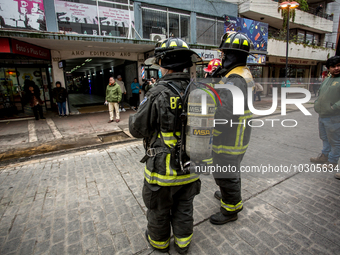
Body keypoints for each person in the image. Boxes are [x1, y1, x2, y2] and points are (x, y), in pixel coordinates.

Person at [129, 37, 202, 254]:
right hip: (191, 167)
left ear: (165, 65)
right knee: (184, 207)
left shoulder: (157, 92)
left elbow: (136, 129)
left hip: (163, 171)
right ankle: (183, 244)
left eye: (160, 63)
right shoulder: (200, 90)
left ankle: (159, 244)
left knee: (159, 210)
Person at [210, 32, 254, 225]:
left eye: (227, 54)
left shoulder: (236, 79)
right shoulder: (239, 73)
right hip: (237, 133)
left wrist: (213, 133)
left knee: (226, 170)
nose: (223, 57)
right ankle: (227, 194)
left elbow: (225, 112)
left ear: (236, 56)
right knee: (230, 170)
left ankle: (231, 209)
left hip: (229, 137)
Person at [310, 56, 340, 179]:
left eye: (338, 65)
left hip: (334, 116)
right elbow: (322, 93)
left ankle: (332, 162)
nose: (337, 68)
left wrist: (334, 108)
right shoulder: (328, 79)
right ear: (328, 69)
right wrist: (317, 104)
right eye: (333, 66)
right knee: (324, 138)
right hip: (322, 115)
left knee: (335, 140)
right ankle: (324, 156)